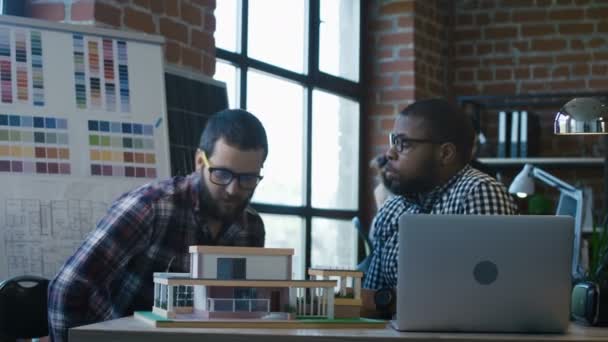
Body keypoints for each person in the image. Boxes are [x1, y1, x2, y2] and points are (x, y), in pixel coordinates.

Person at [47, 109, 268, 341]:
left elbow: (241, 310)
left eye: (248, 179)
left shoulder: (251, 228)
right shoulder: (151, 207)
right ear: (200, 162)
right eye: (222, 174)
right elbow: (67, 287)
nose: (234, 190)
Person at [361, 99, 517, 315]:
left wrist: (388, 300)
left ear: (445, 154)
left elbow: (481, 296)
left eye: (403, 144)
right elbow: (370, 299)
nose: (390, 153)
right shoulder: (393, 207)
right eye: (393, 140)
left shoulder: (478, 192)